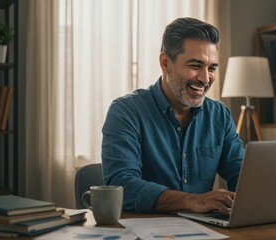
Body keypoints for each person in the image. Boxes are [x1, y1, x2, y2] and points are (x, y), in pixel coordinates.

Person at [101, 17, 244, 215]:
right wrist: (192, 201)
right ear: (165, 62)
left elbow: (242, 175)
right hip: (143, 231)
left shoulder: (219, 114)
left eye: (212, 68)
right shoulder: (126, 111)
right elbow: (122, 185)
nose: (205, 78)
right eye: (195, 65)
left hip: (206, 231)